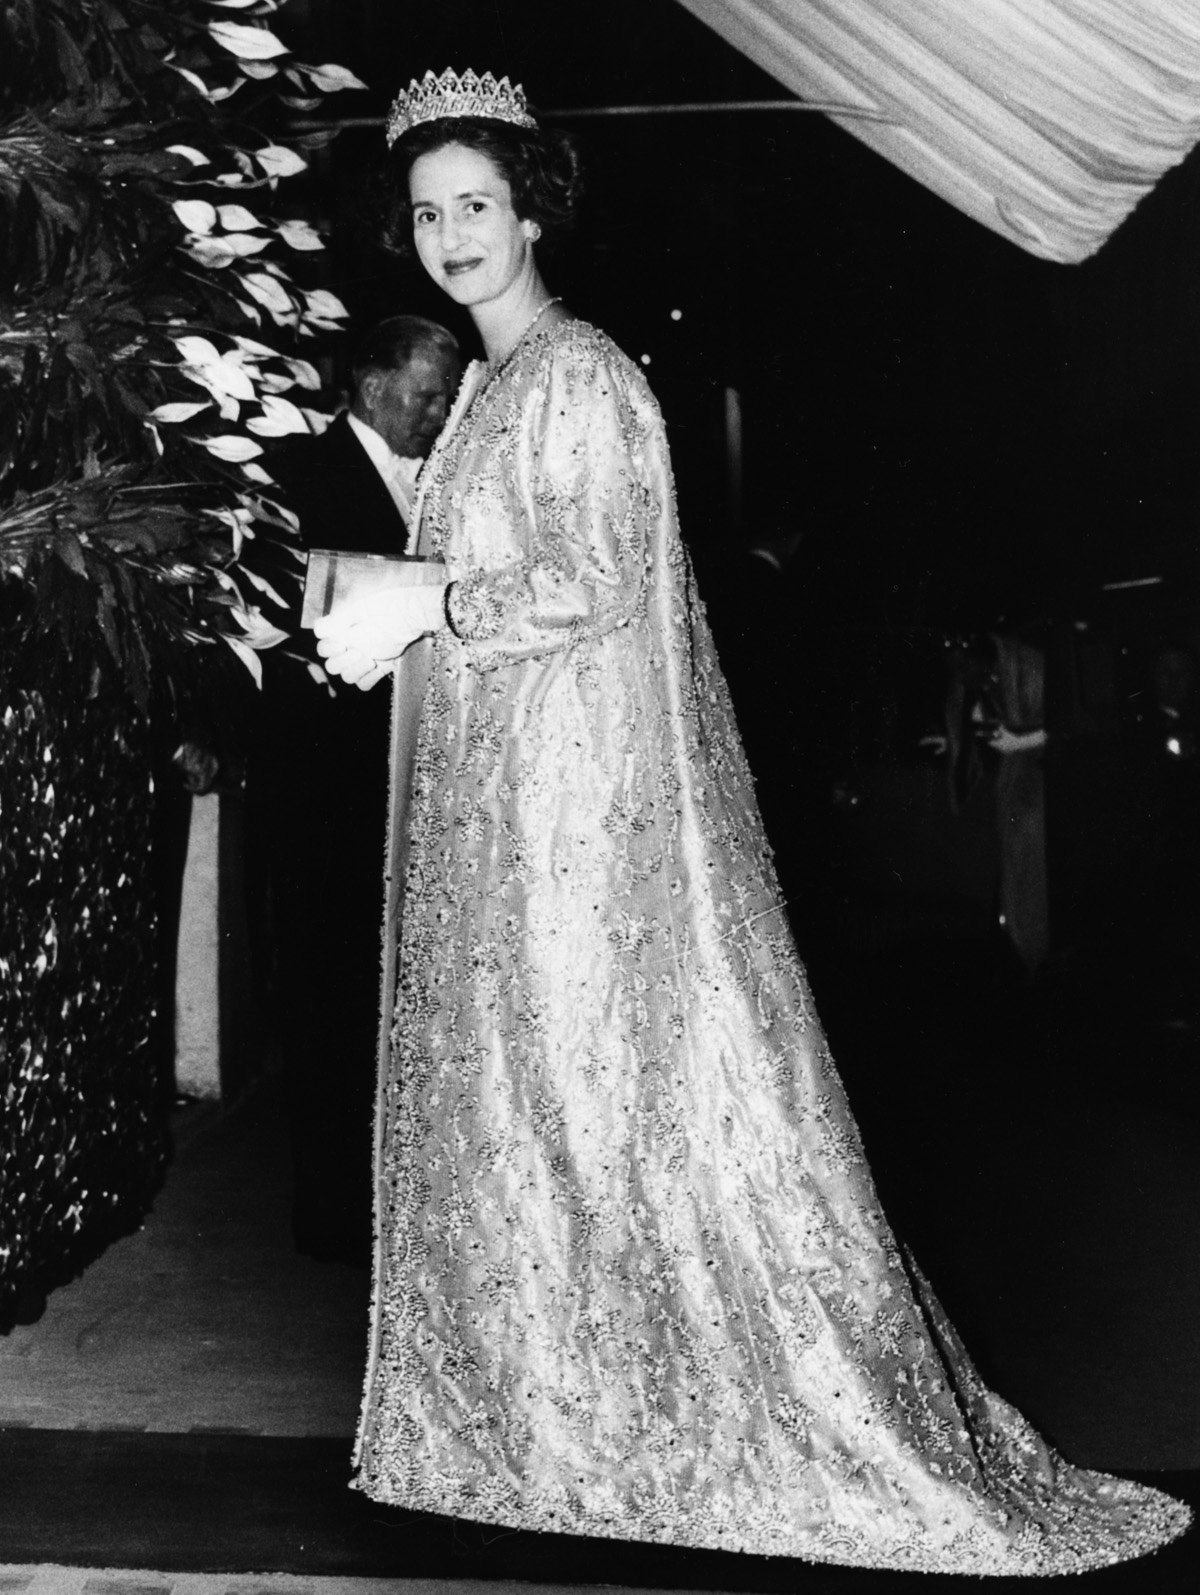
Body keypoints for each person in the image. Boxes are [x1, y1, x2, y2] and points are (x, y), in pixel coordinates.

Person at [313, 69, 1191, 1573]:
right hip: (504, 809)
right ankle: (542, 1415)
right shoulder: (492, 385)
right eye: (428, 213)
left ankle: (628, 1418)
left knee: (595, 1113)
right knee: (537, 1119)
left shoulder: (581, 374)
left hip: (570, 826)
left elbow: (589, 585)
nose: (454, 233)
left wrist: (426, 596)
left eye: (476, 203)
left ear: (531, 209)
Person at [249, 314, 460, 1264]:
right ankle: (332, 1205)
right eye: (427, 394)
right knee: (327, 997)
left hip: (416, 783)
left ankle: (404, 1197)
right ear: (374, 388)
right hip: (322, 789)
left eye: (448, 394)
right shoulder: (297, 478)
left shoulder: (446, 481)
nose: (440, 411)